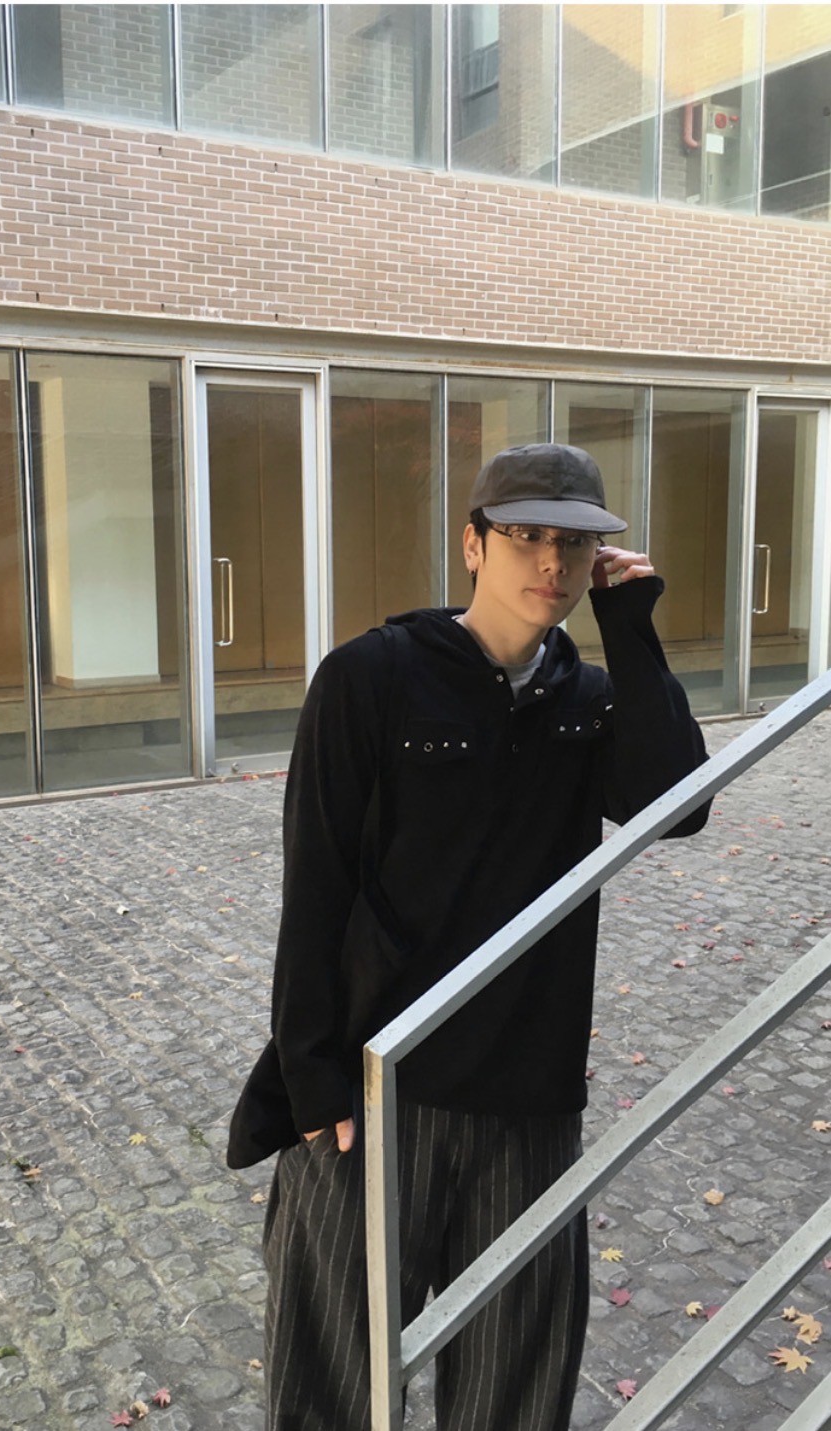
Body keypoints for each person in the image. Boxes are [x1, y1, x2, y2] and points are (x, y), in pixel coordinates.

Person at [227, 443, 709, 1431]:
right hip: (373, 1091)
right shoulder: (370, 679)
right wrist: (311, 1077)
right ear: (473, 545)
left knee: (512, 1393)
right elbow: (315, 881)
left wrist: (630, 628)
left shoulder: (589, 700)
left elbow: (677, 806)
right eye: (525, 536)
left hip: (527, 1103)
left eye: (575, 543)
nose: (551, 562)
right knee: (331, 1388)